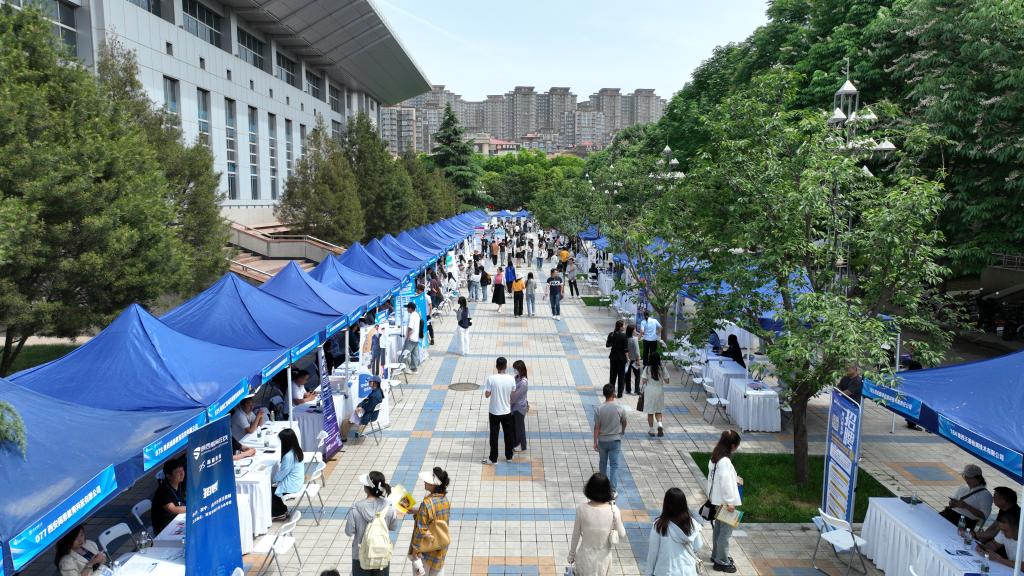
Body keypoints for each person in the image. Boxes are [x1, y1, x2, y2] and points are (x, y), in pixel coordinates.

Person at [568, 473, 626, 576]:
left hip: (585, 557)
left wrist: (571, 555)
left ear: (589, 489)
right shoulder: (614, 511)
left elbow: (576, 534)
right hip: (603, 560)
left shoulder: (581, 509)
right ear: (608, 491)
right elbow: (622, 534)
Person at [345, 471, 401, 576]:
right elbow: (393, 527)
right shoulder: (389, 508)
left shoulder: (355, 509)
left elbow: (349, 532)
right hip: (381, 554)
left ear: (366, 488)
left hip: (360, 555)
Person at [645, 488, 704, 576]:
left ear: (666, 504)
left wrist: (648, 573)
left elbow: (653, 552)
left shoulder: (659, 525)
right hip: (688, 571)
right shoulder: (692, 523)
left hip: (665, 571)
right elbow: (698, 546)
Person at [707, 430, 743, 573]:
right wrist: (730, 502)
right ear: (732, 445)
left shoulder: (715, 458)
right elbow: (725, 483)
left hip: (717, 501)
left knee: (718, 530)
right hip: (725, 503)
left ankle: (716, 555)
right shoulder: (725, 461)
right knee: (725, 534)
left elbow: (715, 480)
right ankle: (722, 561)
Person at [409, 468, 452, 576]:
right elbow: (435, 515)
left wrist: (415, 550)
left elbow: (421, 529)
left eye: (427, 481)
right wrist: (417, 511)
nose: (425, 482)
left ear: (434, 485)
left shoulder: (427, 503)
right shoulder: (445, 500)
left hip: (425, 550)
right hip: (440, 547)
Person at [482, 356, 517, 464]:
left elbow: (487, 395)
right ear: (506, 366)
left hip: (494, 412)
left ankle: (493, 459)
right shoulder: (511, 379)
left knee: (494, 436)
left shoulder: (491, 378)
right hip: (506, 411)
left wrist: (492, 391)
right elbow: (513, 392)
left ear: (496, 366)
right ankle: (509, 456)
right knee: (508, 435)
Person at [594, 383, 628, 493]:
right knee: (614, 465)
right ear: (613, 393)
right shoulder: (620, 408)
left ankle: (601, 487)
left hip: (602, 441)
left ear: (604, 394)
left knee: (602, 464)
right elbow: (624, 422)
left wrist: (595, 441)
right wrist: (622, 431)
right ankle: (613, 489)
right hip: (615, 440)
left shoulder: (599, 409)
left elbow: (597, 427)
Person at [940, 463, 993, 531]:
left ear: (979, 478)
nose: (967, 480)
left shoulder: (986, 495)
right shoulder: (963, 487)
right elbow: (953, 503)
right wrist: (952, 503)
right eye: (965, 477)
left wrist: (967, 506)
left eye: (969, 478)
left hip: (966, 521)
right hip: (951, 514)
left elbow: (983, 516)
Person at [271, 428, 305, 519]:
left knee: (271, 490)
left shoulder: (288, 456)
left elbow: (283, 473)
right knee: (274, 487)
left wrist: (273, 479)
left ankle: (279, 513)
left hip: (292, 484)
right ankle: (282, 510)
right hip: (298, 481)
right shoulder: (297, 450)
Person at [341, 375, 385, 440]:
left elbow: (368, 407)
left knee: (345, 422)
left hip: (368, 415)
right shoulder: (377, 391)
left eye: (370, 381)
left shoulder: (375, 395)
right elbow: (366, 400)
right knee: (348, 419)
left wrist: (360, 408)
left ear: (375, 383)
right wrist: (360, 406)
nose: (368, 382)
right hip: (370, 413)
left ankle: (343, 438)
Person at [152, 458, 187, 535]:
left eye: (182, 470)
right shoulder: (163, 491)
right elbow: (173, 509)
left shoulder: (180, 483)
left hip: (178, 518)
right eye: (178, 472)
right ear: (168, 476)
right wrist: (191, 508)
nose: (182, 474)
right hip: (165, 527)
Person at [643, 353, 670, 437]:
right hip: (659, 391)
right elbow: (667, 381)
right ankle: (660, 425)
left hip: (650, 391)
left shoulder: (647, 368)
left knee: (650, 412)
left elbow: (643, 381)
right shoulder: (662, 368)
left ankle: (651, 430)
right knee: (658, 410)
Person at [510, 360, 530, 452]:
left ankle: (522, 446)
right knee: (515, 426)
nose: (514, 370)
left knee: (520, 427)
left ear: (520, 369)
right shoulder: (517, 378)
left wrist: (509, 401)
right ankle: (516, 443)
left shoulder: (523, 382)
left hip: (519, 407)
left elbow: (517, 396)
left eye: (516, 369)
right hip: (515, 406)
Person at [606, 320, 628, 397]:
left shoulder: (611, 334)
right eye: (624, 325)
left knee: (612, 376)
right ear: (620, 327)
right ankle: (619, 394)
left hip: (613, 357)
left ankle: (611, 393)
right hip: (621, 359)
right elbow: (626, 349)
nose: (625, 327)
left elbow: (607, 345)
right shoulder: (624, 336)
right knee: (621, 376)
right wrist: (628, 358)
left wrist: (614, 343)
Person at [402, 302, 422, 374]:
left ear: (410, 308)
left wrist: (407, 337)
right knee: (414, 354)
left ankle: (403, 368)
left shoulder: (412, 316)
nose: (407, 309)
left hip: (411, 338)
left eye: (407, 308)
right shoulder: (417, 315)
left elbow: (410, 327)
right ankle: (414, 369)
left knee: (405, 353)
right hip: (416, 338)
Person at [626, 324, 642, 396]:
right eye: (635, 329)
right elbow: (637, 351)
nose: (636, 331)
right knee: (637, 375)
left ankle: (628, 389)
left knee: (628, 375)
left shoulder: (626, 339)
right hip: (635, 360)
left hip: (628, 360)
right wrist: (638, 360)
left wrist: (640, 334)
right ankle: (637, 390)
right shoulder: (634, 340)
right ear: (632, 331)